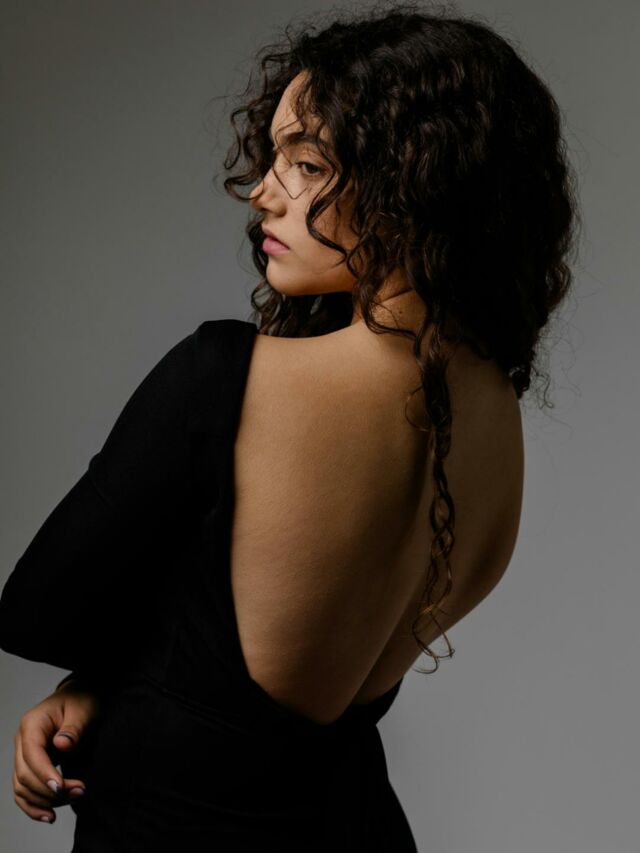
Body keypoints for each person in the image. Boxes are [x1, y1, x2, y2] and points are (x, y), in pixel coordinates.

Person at [1, 3, 579, 850]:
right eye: (272, 156)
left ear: (415, 180)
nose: (262, 191)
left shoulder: (226, 381)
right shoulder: (493, 412)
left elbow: (33, 612)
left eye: (305, 163)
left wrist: (101, 682)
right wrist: (103, 686)